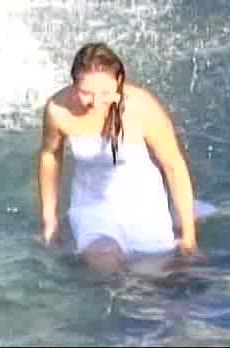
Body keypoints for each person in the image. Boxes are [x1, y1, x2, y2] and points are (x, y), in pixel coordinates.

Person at [35, 41, 199, 275]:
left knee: (153, 279)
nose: (96, 102)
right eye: (86, 93)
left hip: (144, 206)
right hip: (92, 207)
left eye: (105, 93)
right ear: (73, 84)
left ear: (119, 81)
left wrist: (189, 235)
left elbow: (173, 165)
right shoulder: (58, 110)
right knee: (106, 268)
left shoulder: (142, 107)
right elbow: (50, 156)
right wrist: (49, 221)